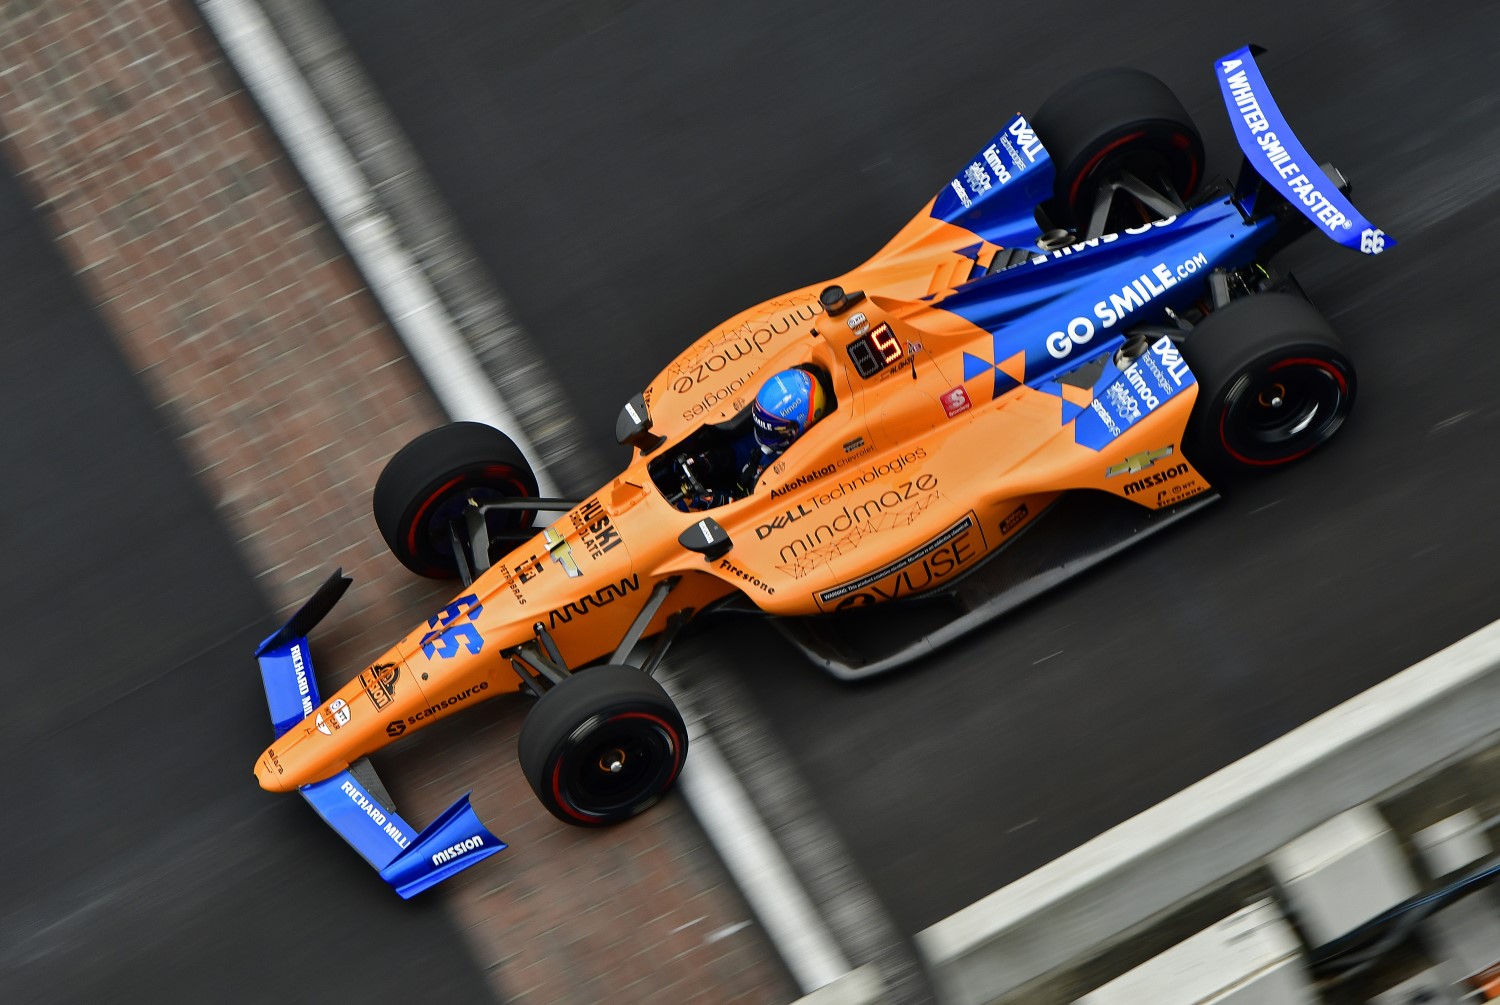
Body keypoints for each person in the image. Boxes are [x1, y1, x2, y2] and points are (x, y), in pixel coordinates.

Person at [672, 367, 827, 511]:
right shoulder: (769, 436)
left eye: (769, 431)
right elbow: (738, 452)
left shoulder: (802, 466)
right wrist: (707, 462)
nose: (762, 434)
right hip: (735, 487)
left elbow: (764, 509)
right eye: (760, 424)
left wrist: (723, 502)